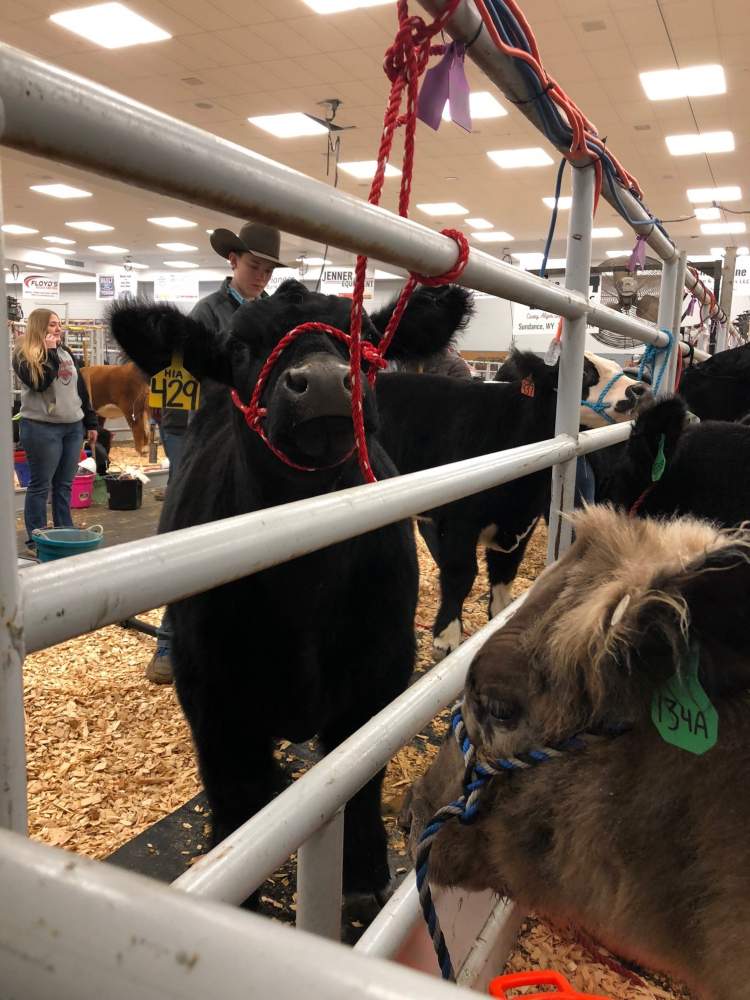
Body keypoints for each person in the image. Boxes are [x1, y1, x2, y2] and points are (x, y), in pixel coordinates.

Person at [147, 222, 286, 684]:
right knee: (189, 525)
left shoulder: (275, 314)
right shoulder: (206, 313)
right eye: (254, 265)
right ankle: (170, 640)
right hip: (203, 432)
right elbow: (179, 381)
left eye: (268, 269)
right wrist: (180, 439)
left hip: (256, 438)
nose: (261, 275)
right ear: (232, 261)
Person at [13, 309, 98, 551]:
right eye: (52, 325)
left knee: (64, 484)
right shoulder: (23, 354)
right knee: (41, 484)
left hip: (72, 426)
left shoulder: (66, 352)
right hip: (42, 428)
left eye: (59, 324)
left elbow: (79, 389)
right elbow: (39, 383)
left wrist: (90, 422)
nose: (58, 329)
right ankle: (37, 537)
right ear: (39, 327)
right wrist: (49, 353)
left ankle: (65, 532)